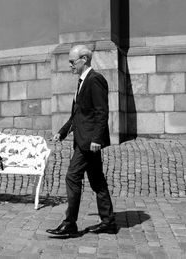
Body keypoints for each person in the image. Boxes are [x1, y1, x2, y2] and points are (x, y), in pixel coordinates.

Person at [46, 45, 117, 236]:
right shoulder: (81, 81)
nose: (70, 65)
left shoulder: (95, 80)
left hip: (88, 142)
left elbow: (102, 112)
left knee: (72, 176)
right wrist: (61, 132)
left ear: (84, 59)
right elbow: (77, 114)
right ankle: (108, 222)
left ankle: (70, 223)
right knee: (97, 181)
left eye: (72, 62)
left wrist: (96, 139)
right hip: (82, 139)